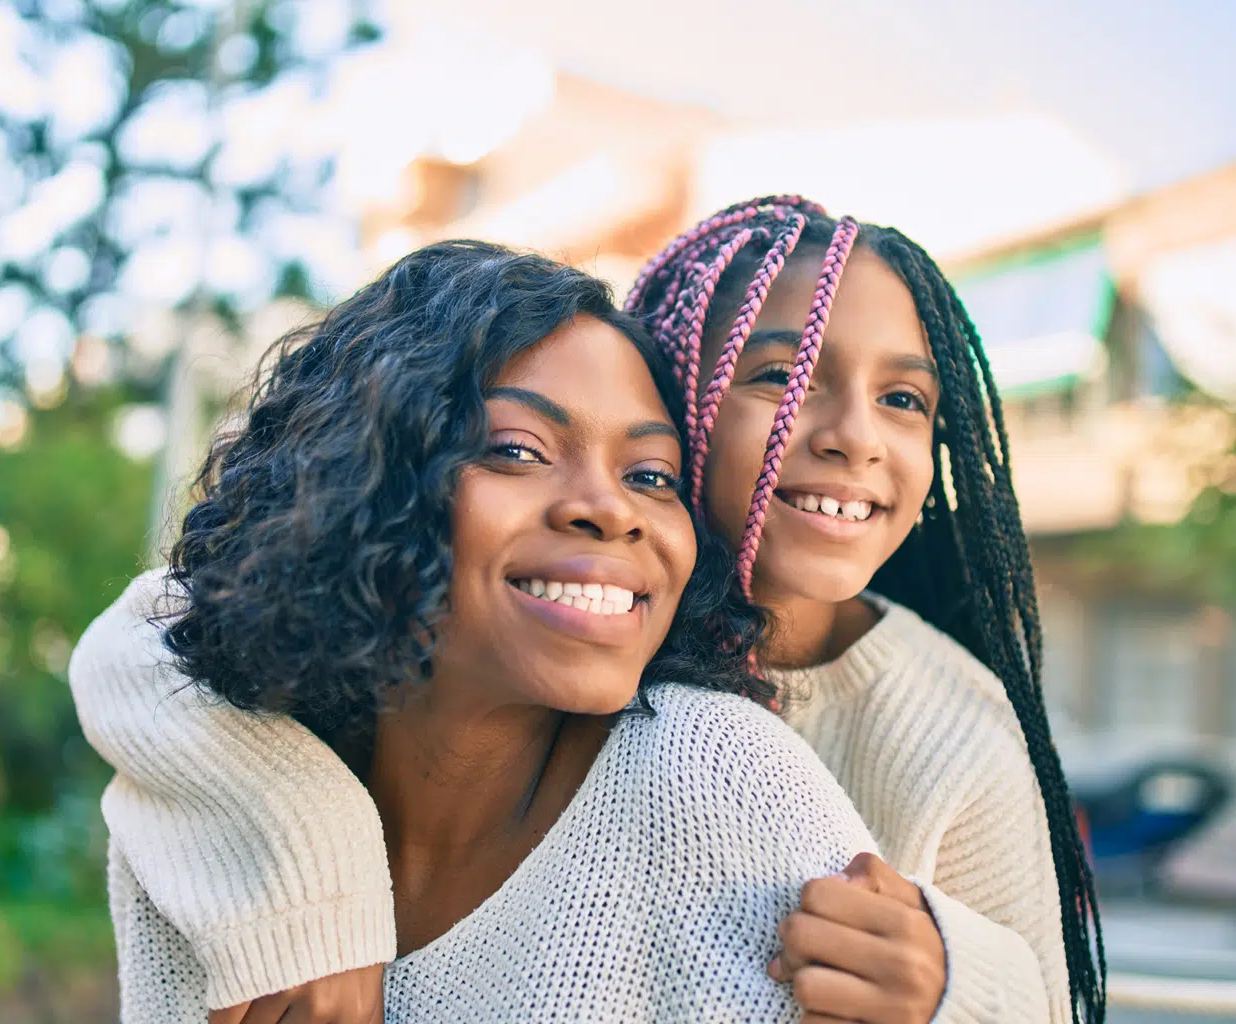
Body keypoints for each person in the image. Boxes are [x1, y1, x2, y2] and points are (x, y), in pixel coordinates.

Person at [75, 198, 1104, 1023]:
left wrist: (956, 985)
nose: (848, 435)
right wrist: (312, 863)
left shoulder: (892, 732)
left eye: (905, 399)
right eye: (783, 377)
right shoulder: (547, 635)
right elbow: (159, 640)